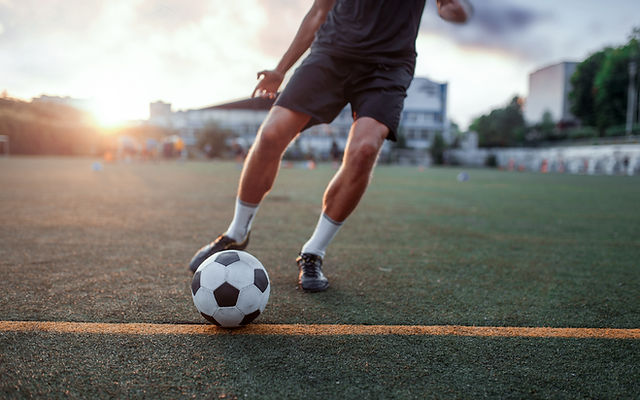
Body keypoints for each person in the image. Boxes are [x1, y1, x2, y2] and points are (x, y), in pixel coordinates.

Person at [189, 0, 472, 292]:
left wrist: (454, 10)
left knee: (364, 151)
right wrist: (280, 70)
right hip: (331, 54)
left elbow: (450, 6)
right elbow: (319, 12)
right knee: (271, 134)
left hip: (387, 65)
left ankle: (313, 252)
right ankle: (237, 231)